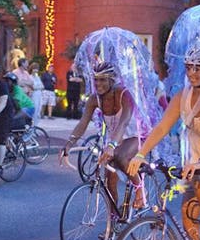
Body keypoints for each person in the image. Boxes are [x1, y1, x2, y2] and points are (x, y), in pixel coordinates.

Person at [127, 45, 200, 240]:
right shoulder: (182, 96)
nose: (191, 73)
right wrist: (141, 154)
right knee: (187, 213)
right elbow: (162, 127)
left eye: (197, 68)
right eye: (188, 68)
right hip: (196, 160)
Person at [61, 62, 146, 209]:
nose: (98, 84)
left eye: (103, 80)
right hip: (115, 139)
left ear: (112, 80)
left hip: (135, 135)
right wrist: (68, 145)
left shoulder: (124, 94)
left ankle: (140, 190)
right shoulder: (94, 99)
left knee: (120, 156)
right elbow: (83, 122)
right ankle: (113, 223)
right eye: (96, 80)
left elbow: (124, 122)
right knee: (109, 183)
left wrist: (112, 145)